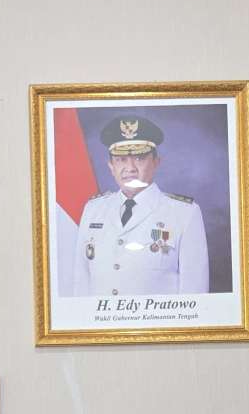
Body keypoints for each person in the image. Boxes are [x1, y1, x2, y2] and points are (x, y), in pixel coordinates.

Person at [73, 116, 210, 298]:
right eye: (121, 159)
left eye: (139, 158)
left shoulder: (184, 214)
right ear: (111, 166)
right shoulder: (93, 210)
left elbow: (195, 295)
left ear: (156, 162)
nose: (130, 168)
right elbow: (82, 285)